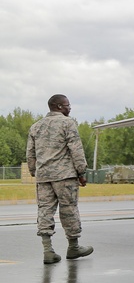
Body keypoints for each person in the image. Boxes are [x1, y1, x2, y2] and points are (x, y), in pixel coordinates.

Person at [26, 94, 94, 264]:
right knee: (68, 209)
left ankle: (48, 251)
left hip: (44, 177)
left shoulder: (36, 126)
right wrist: (81, 172)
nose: (69, 108)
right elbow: (76, 148)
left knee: (45, 210)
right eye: (67, 105)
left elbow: (30, 153)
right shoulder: (67, 123)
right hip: (65, 176)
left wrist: (34, 170)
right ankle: (73, 247)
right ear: (58, 106)